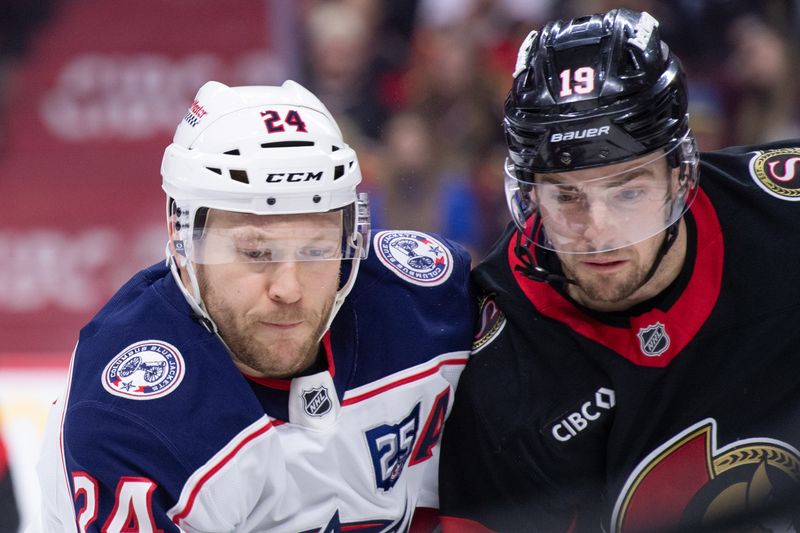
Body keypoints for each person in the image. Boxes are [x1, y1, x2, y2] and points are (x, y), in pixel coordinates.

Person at [33, 80, 474, 531]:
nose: (289, 288)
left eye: (318, 251)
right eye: (255, 252)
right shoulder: (131, 418)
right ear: (180, 237)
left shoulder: (426, 299)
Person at [438, 8, 800, 532]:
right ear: (531, 194)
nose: (598, 231)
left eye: (629, 191)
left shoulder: (781, 213)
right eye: (566, 196)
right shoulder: (502, 359)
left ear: (679, 175)